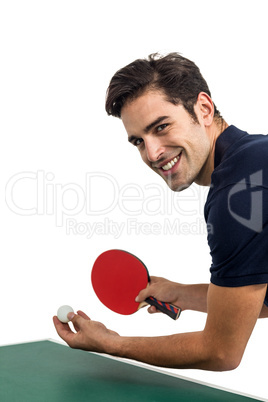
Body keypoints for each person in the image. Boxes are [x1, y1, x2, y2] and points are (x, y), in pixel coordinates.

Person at [53, 53, 268, 371]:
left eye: (162, 126)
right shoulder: (256, 158)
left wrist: (112, 343)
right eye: (139, 141)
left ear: (203, 109)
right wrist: (181, 294)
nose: (152, 153)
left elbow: (222, 351)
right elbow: (256, 299)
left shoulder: (237, 193)